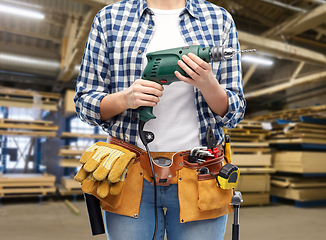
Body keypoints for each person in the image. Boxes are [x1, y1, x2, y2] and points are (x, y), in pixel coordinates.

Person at [74, 0, 246, 239]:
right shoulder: (110, 18)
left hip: (201, 173)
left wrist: (208, 84)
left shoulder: (219, 19)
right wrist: (126, 98)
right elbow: (84, 102)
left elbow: (235, 112)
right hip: (129, 173)